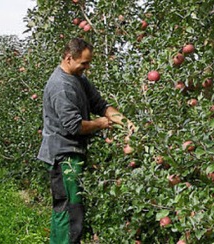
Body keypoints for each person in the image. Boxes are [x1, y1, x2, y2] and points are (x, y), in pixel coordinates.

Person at [37, 37, 135, 243]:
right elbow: (73, 126)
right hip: (64, 156)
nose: (87, 67)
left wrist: (126, 123)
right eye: (84, 63)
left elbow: (99, 104)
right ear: (68, 58)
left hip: (72, 153)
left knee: (66, 209)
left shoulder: (78, 78)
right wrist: (101, 124)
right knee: (70, 212)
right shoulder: (61, 87)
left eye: (89, 62)